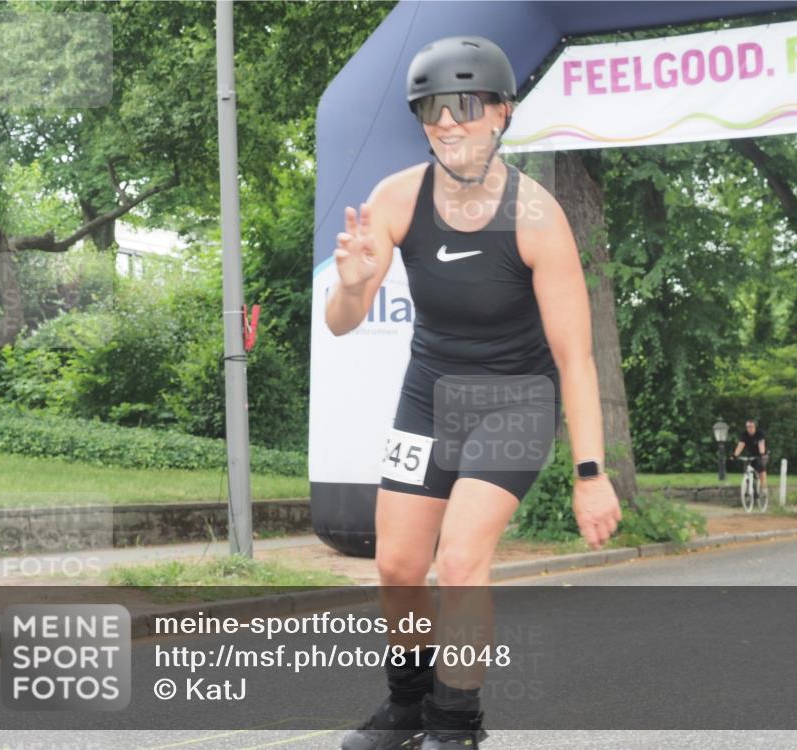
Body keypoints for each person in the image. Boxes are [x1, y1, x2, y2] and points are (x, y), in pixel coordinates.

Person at [325, 36, 622, 750]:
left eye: (463, 106)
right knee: (396, 566)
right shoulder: (397, 198)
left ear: (500, 114)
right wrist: (355, 284)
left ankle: (455, 728)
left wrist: (591, 474)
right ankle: (406, 707)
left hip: (516, 404)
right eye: (431, 108)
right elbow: (341, 324)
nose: (446, 122)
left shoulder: (538, 217)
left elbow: (575, 358)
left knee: (458, 560)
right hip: (428, 398)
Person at [733, 419, 768, 496]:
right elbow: (741, 445)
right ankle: (749, 485)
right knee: (747, 468)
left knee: (761, 468)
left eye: (751, 426)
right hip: (751, 454)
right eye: (748, 427)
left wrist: (762, 454)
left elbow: (761, 444)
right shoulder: (744, 434)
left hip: (761, 454)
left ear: (755, 426)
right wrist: (735, 455)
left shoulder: (760, 433)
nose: (750, 428)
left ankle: (763, 487)